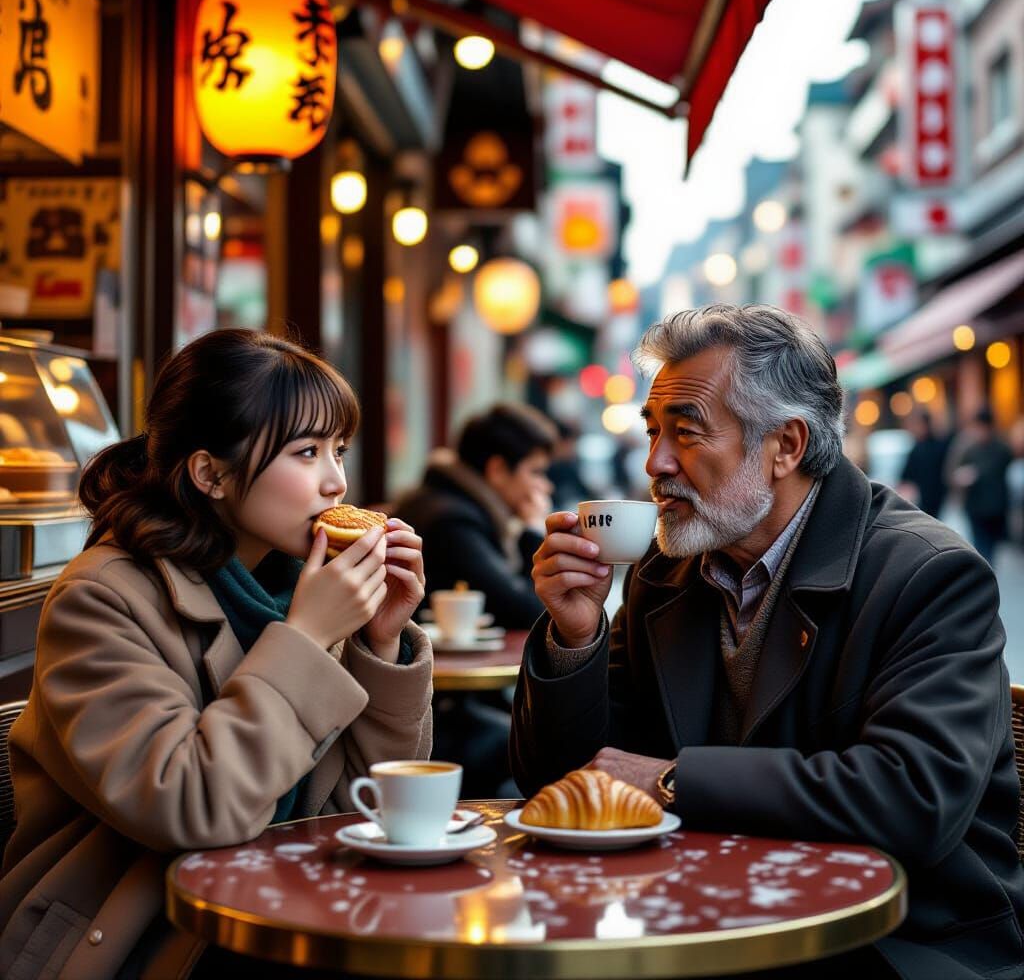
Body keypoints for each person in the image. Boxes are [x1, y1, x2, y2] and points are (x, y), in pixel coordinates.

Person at [511, 305, 1023, 980]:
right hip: (709, 917)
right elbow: (570, 786)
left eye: (686, 433)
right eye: (653, 431)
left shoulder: (928, 575)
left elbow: (911, 798)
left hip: (899, 941)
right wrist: (575, 637)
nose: (655, 463)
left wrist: (671, 781)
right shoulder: (668, 573)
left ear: (785, 446)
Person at [0, 329, 433, 980]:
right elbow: (190, 807)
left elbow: (368, 808)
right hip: (146, 937)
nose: (336, 482)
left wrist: (380, 640)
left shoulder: (302, 589)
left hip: (288, 913)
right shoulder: (103, 597)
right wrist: (308, 638)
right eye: (307, 452)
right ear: (211, 473)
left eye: (339, 450)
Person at [393, 402, 557, 629]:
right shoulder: (452, 521)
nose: (546, 486)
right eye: (536, 472)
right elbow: (529, 612)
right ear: (498, 470)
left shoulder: (447, 502)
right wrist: (533, 533)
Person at [953, 407, 1013, 565]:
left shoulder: (1002, 449)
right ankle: (986, 571)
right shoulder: (970, 450)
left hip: (996, 507)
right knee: (981, 547)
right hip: (975, 507)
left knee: (991, 546)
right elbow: (956, 474)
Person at [897, 408, 949, 518]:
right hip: (924, 498)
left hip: (936, 497)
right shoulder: (917, 447)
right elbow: (907, 475)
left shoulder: (937, 446)